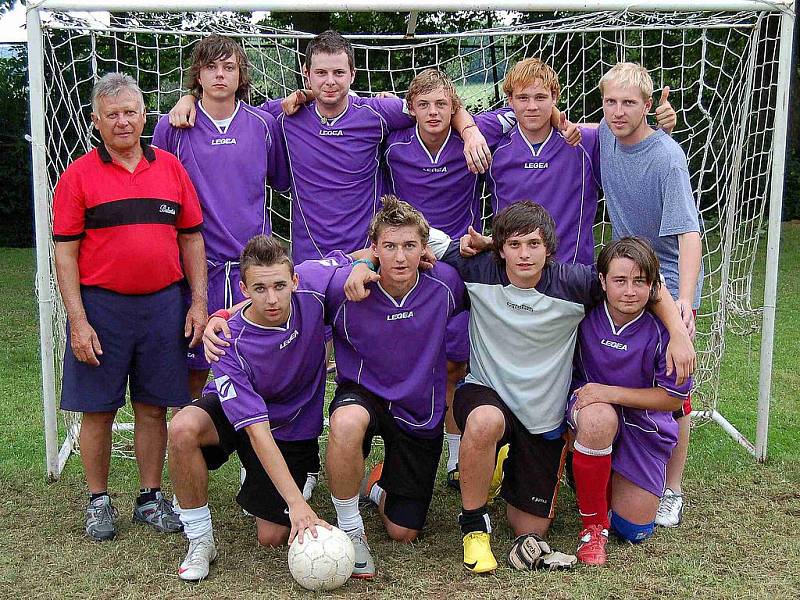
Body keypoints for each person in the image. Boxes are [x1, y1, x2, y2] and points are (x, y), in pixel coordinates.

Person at [348, 200, 695, 573]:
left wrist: (676, 331)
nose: (524, 254)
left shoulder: (574, 283)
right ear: (499, 248)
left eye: (533, 244)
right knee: (484, 421)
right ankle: (474, 527)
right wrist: (363, 264)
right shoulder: (477, 267)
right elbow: (395, 242)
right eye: (514, 244)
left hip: (540, 417)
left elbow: (646, 283)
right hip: (486, 393)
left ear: (549, 247)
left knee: (530, 528)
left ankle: (494, 467)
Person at [169, 30, 491, 263]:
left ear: (353, 73)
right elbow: (228, 107)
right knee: (316, 354)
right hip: (310, 261)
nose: (330, 81)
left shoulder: (376, 114)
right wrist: (191, 98)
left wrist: (471, 130)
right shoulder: (282, 117)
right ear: (306, 74)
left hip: (368, 255)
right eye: (320, 73)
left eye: (339, 72)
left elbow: (436, 105)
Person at [52, 72, 206, 541]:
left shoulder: (171, 169)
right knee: (97, 410)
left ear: (144, 115)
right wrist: (78, 321)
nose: (123, 122)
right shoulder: (77, 175)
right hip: (101, 309)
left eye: (131, 112)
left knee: (153, 406)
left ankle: (149, 497)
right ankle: (98, 501)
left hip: (163, 304)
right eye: (112, 114)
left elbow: (192, 238)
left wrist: (197, 302)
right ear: (96, 120)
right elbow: (65, 253)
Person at [168, 235, 351, 581]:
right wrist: (297, 505)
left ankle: (302, 474)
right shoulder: (227, 342)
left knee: (271, 538)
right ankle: (200, 539)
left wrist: (367, 264)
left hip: (292, 425)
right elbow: (256, 430)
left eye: (280, 286)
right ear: (243, 289)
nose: (272, 298)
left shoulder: (312, 287)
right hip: (249, 420)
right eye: (260, 288)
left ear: (295, 281)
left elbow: (352, 258)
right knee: (181, 428)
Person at [324, 196, 466, 580]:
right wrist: (224, 315)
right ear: (374, 249)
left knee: (404, 532)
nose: (399, 257)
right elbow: (288, 286)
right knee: (346, 422)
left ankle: (376, 484)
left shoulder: (447, 285)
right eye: (389, 246)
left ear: (424, 251)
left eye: (408, 246)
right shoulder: (345, 286)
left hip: (420, 405)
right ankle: (350, 530)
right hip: (364, 391)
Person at [153, 34, 290, 401]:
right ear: (197, 74)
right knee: (195, 366)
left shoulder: (263, 125)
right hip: (198, 268)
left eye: (228, 67)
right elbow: (157, 191)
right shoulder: (173, 126)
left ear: (240, 74)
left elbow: (279, 181)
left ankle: (252, 455)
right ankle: (190, 445)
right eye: (211, 67)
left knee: (257, 363)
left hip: (252, 268)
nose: (219, 75)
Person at [596, 62, 703, 528]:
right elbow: (569, 125)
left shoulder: (666, 157)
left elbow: (689, 233)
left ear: (647, 104)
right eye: (610, 102)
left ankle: (672, 489)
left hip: (667, 281)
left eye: (629, 103)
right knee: (620, 366)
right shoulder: (603, 133)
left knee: (675, 386)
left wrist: (684, 305)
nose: (618, 112)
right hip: (625, 274)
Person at [473, 57, 676, 266]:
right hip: (512, 274)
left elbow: (633, 149)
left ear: (554, 98)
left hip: (571, 277)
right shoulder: (493, 147)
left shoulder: (586, 143)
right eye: (523, 98)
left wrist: (663, 130)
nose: (532, 106)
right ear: (510, 100)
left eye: (540, 97)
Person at [381, 68, 479, 489]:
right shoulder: (395, 144)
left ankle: (457, 461)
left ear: (454, 107)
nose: (433, 112)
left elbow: (538, 113)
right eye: (424, 105)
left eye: (442, 104)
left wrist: (470, 128)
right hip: (409, 265)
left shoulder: (473, 135)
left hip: (459, 264)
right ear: (411, 108)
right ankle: (394, 458)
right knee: (405, 364)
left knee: (457, 362)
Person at [568, 237, 692, 566]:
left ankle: (597, 478)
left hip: (643, 426)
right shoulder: (583, 312)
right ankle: (592, 529)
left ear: (652, 287)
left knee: (633, 529)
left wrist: (609, 392)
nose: (629, 291)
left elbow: (672, 398)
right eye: (620, 280)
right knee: (597, 419)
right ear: (602, 281)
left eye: (640, 282)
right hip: (591, 412)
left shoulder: (667, 331)